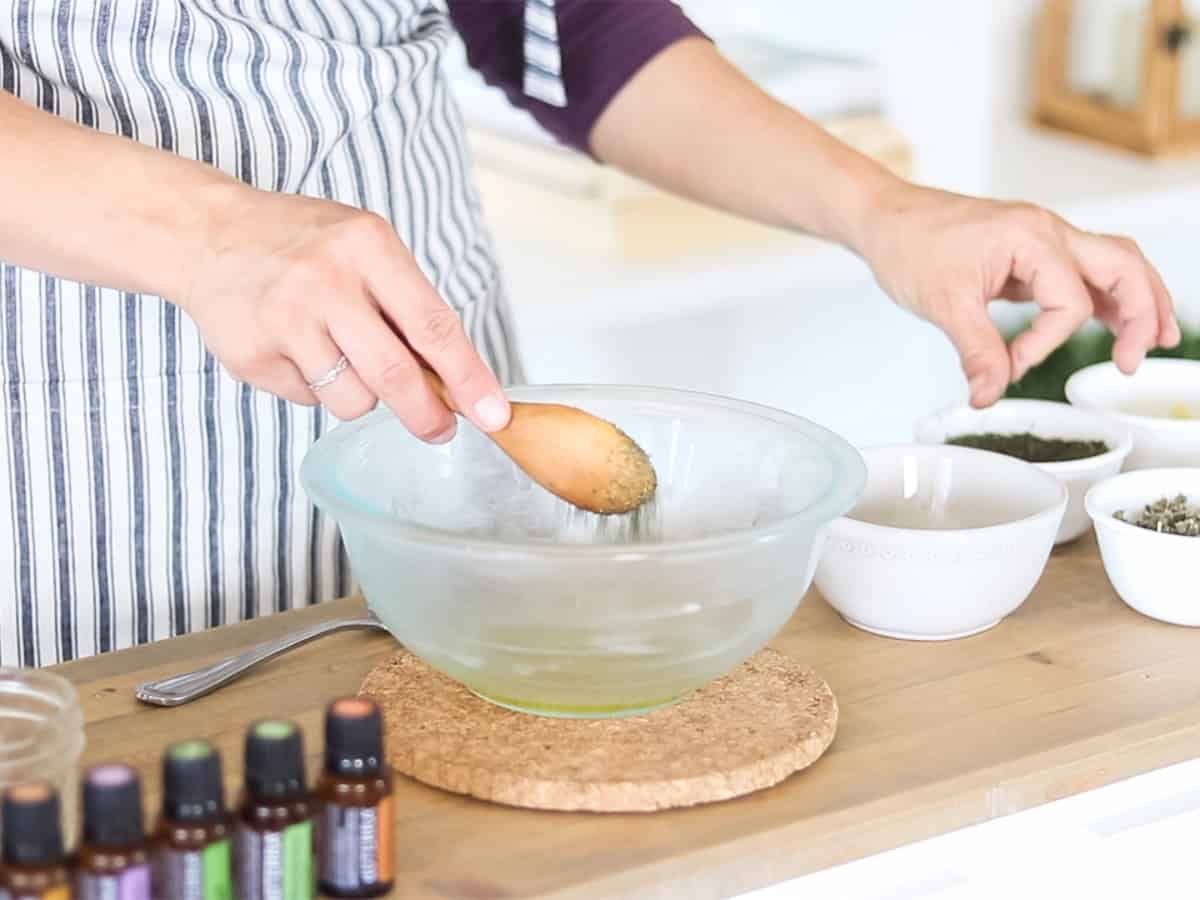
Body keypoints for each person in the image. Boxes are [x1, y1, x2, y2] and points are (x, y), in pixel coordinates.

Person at [0, 1, 1178, 667]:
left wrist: (885, 211)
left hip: (438, 417)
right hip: (77, 450)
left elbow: (560, 21)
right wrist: (208, 236)